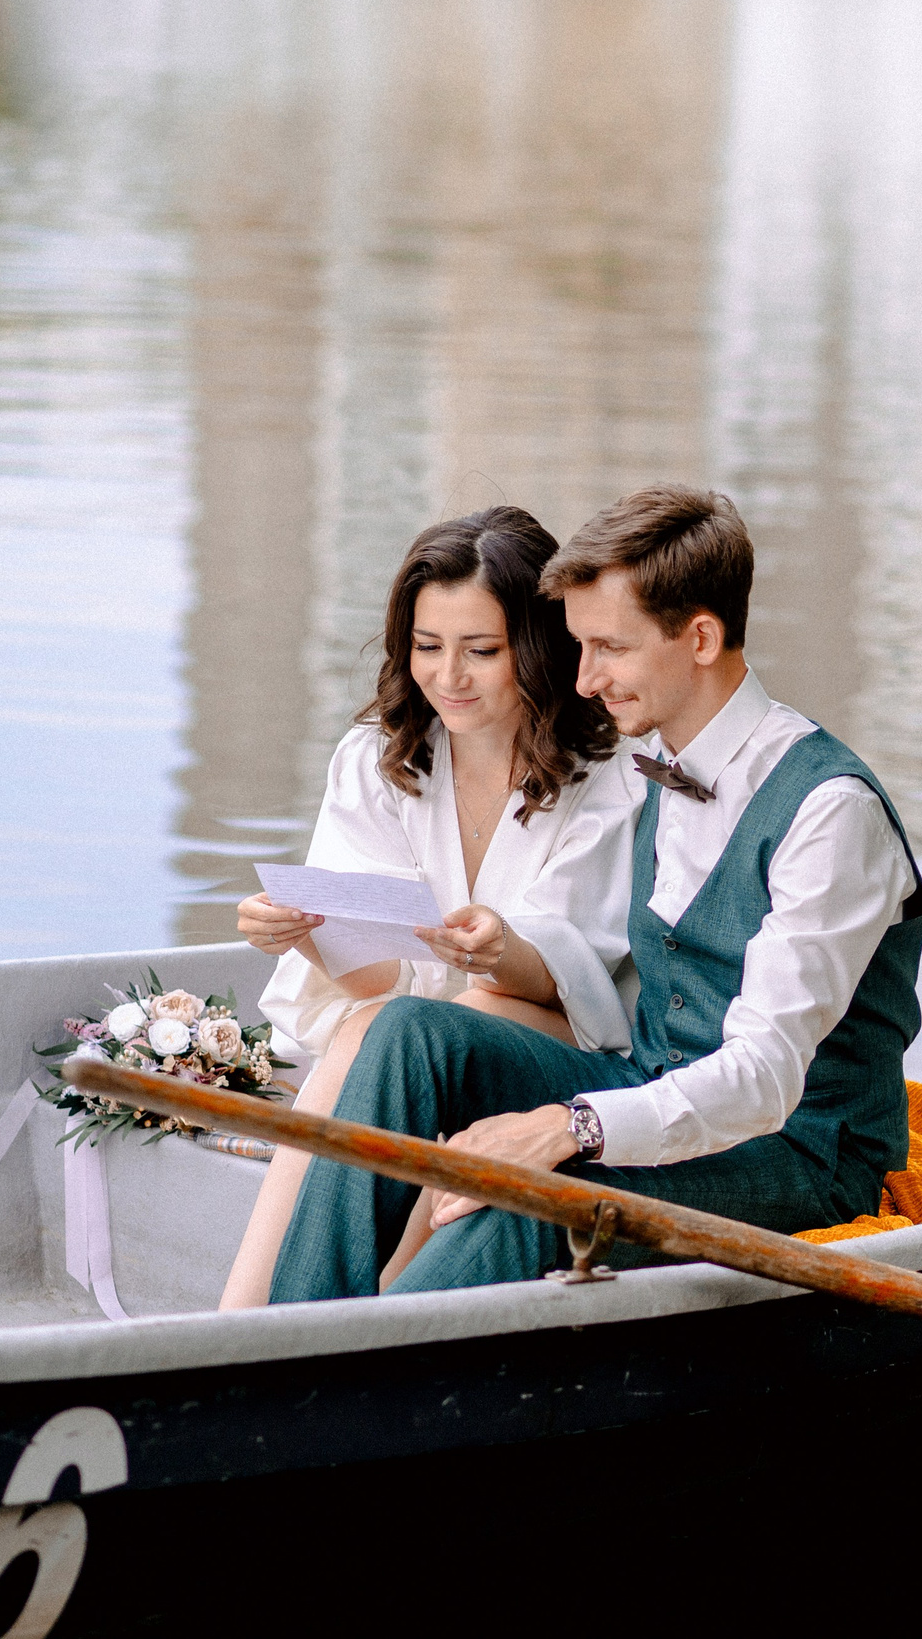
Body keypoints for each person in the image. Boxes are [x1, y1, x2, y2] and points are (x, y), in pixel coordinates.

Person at [268, 483, 922, 1299]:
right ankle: (295, 1331)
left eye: (608, 648)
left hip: (794, 1150)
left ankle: (348, 1378)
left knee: (537, 1201)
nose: (583, 680)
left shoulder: (830, 812)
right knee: (407, 1033)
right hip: (648, 1088)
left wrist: (565, 1127)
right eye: (580, 648)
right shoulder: (653, 769)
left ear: (700, 637)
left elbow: (765, 1076)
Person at [219, 505, 639, 1310]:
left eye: (481, 651)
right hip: (410, 1029)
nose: (449, 676)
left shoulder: (607, 777)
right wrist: (303, 934)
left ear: (539, 646)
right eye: (427, 647)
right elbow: (383, 977)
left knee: (430, 1022)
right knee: (373, 1027)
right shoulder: (378, 758)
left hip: (569, 1039)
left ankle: (333, 1309)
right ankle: (243, 1318)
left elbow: (574, 980)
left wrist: (500, 948)